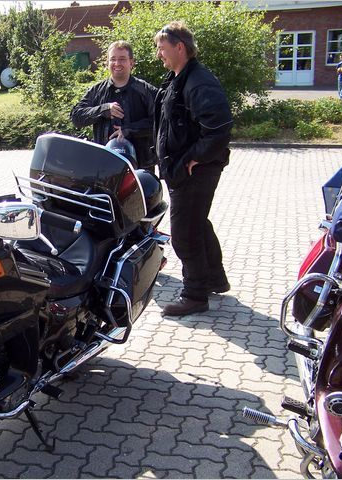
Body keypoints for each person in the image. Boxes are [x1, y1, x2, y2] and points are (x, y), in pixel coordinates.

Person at [153, 21, 233, 316]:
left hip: (195, 171)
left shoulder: (199, 81)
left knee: (184, 232)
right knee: (197, 223)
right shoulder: (178, 78)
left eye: (162, 48)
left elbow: (219, 129)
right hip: (182, 168)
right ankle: (214, 278)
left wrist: (193, 159)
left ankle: (194, 295)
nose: (159, 54)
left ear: (180, 47)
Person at [70, 40, 157, 170]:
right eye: (113, 59)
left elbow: (160, 121)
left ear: (131, 62)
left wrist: (129, 130)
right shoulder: (97, 91)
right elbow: (76, 117)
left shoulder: (145, 90)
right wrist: (104, 110)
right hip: (104, 166)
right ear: (107, 62)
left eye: (122, 59)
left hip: (141, 167)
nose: (117, 63)